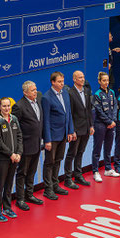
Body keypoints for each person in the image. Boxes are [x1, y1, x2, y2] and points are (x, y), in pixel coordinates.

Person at [41, 71, 74, 200]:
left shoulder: (65, 93)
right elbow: (46, 120)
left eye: (62, 81)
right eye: (59, 82)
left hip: (63, 134)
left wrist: (70, 131)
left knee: (58, 160)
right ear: (53, 82)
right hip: (53, 136)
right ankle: (47, 189)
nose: (62, 84)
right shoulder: (46, 97)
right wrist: (47, 139)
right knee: (49, 162)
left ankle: (55, 185)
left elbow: (68, 113)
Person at [12, 81, 44, 211]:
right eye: (32, 90)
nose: (35, 92)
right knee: (22, 173)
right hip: (25, 146)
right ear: (25, 92)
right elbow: (15, 128)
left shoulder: (38, 101)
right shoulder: (19, 106)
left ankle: (29, 194)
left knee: (32, 172)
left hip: (37, 144)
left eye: (36, 89)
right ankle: (20, 199)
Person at [0, 97, 23, 222]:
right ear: (0, 107)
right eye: (4, 106)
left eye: (8, 106)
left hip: (15, 157)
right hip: (3, 158)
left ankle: (7, 208)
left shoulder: (14, 119)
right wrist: (10, 154)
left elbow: (20, 136)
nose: (6, 108)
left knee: (9, 183)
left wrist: (19, 153)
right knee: (0, 184)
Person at [64, 71, 94, 188]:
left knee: (80, 153)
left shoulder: (86, 91)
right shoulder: (70, 93)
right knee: (71, 153)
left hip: (86, 128)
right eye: (80, 78)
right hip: (76, 130)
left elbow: (89, 110)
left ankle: (78, 175)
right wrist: (72, 130)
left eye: (83, 77)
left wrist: (91, 125)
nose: (82, 79)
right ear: (74, 79)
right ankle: (68, 178)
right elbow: (70, 113)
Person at [92, 72, 119, 182]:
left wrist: (112, 120)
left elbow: (115, 107)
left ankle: (108, 168)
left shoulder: (112, 92)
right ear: (99, 81)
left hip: (111, 124)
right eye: (104, 80)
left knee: (108, 147)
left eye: (107, 80)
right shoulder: (97, 95)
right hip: (100, 125)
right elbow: (98, 111)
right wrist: (108, 121)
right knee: (97, 149)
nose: (106, 82)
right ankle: (95, 171)